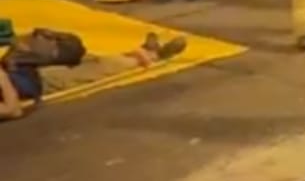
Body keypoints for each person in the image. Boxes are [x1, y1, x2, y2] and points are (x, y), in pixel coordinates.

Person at [0, 30, 188, 120]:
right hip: (38, 80)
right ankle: (153, 56)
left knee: (78, 54)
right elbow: (13, 109)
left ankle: (142, 51)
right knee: (96, 69)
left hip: (20, 68)